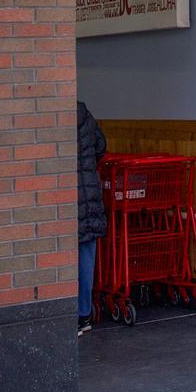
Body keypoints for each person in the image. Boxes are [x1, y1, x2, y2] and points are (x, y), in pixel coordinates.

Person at [76, 101, 106, 335]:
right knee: (86, 255)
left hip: (68, 197)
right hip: (90, 194)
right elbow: (100, 146)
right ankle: (83, 314)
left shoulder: (54, 116)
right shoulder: (85, 115)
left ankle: (69, 315)